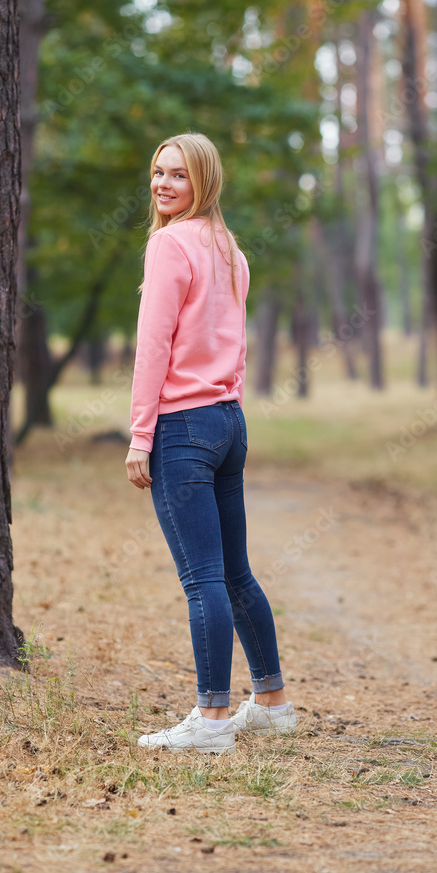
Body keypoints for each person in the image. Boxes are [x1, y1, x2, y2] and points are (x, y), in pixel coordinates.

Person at [125, 132, 296, 754]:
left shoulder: (170, 244)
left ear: (205, 182)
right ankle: (273, 704)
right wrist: (232, 410)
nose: (163, 184)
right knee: (234, 573)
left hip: (184, 428)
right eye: (157, 172)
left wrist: (141, 436)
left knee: (205, 581)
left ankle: (213, 719)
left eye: (178, 175)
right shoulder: (230, 249)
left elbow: (154, 349)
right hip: (227, 422)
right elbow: (235, 344)